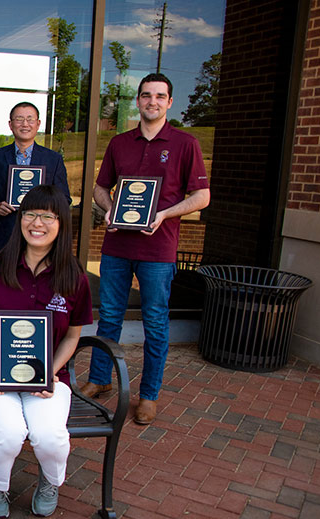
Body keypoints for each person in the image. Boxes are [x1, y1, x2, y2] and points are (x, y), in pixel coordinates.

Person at [81, 73, 210, 425]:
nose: (152, 101)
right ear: (137, 101)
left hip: (159, 249)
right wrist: (108, 208)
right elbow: (100, 188)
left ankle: (149, 394)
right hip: (117, 246)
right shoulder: (120, 144)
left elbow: (202, 196)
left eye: (160, 96)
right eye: (146, 96)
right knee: (109, 317)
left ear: (170, 102)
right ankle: (98, 379)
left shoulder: (185, 144)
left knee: (155, 322)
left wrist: (165, 214)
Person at [0, 185, 92, 519]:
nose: (37, 223)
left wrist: (51, 370)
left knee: (50, 438)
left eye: (48, 216)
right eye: (30, 214)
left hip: (49, 378)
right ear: (20, 219)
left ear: (61, 223)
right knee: (8, 435)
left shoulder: (75, 277)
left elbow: (72, 336)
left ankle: (50, 482)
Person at [0, 102, 71, 258]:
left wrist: (43, 209)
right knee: (0, 281)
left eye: (30, 119)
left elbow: (64, 198)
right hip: (4, 237)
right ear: (10, 124)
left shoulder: (53, 159)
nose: (25, 124)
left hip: (41, 236)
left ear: (38, 124)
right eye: (19, 119)